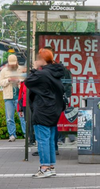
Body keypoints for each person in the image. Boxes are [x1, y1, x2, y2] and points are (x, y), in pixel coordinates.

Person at [25, 48, 65, 179]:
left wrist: (35, 68)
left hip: (43, 110)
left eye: (38, 58)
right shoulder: (55, 73)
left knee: (42, 140)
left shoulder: (42, 74)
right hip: (54, 111)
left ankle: (44, 167)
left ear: (42, 60)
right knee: (50, 141)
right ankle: (51, 166)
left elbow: (28, 81)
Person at [0, 54, 25, 142]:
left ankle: (26, 134)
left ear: (17, 62)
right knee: (9, 118)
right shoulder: (4, 71)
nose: (13, 65)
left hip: (20, 97)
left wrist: (18, 81)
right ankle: (12, 135)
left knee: (23, 117)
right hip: (8, 97)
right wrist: (8, 80)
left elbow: (26, 81)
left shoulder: (21, 69)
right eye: (11, 64)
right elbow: (0, 82)